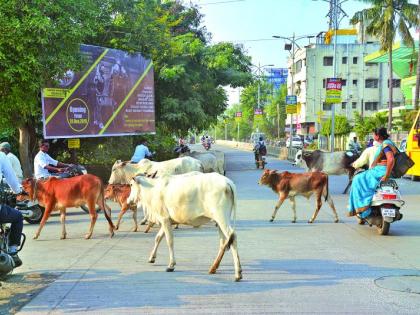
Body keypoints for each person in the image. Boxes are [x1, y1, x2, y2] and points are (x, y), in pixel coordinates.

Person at [348, 128, 397, 219]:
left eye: (374, 134)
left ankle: (363, 208)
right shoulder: (386, 143)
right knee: (361, 179)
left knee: (357, 179)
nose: (373, 136)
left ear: (378, 136)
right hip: (380, 170)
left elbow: (391, 159)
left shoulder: (385, 144)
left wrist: (386, 176)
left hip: (380, 171)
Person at [0, 151, 25, 267]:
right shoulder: (1, 156)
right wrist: (18, 191)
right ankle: (13, 251)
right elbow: (11, 178)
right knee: (18, 216)